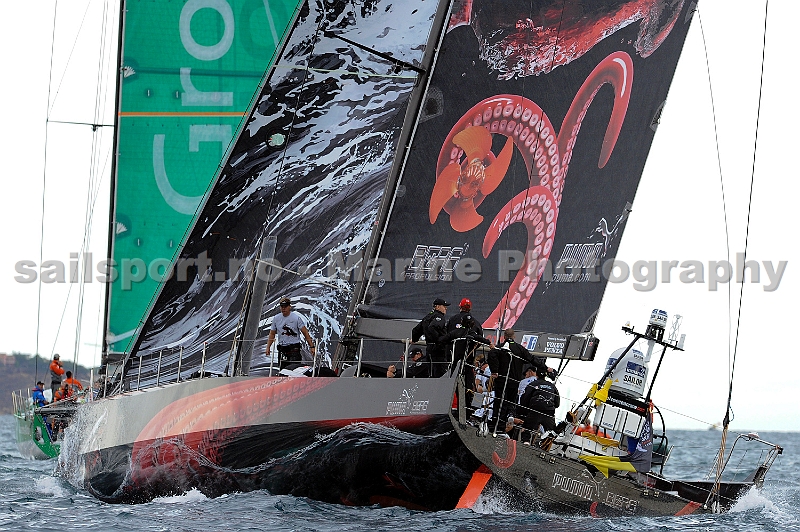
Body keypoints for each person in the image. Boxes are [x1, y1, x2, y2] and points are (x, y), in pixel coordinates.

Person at [265, 297, 316, 371]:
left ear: (289, 306)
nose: (283, 308)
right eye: (282, 307)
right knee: (283, 371)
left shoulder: (296, 318)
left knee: (294, 370)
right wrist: (268, 347)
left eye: (285, 306)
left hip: (294, 349)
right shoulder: (276, 318)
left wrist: (312, 346)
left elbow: (305, 332)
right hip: (282, 349)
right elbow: (272, 334)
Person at [411, 298, 450, 377]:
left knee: (431, 372)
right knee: (441, 373)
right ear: (438, 307)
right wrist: (439, 340)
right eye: (444, 306)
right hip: (438, 350)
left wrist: (414, 339)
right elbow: (432, 327)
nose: (446, 308)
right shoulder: (439, 316)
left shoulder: (427, 317)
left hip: (429, 348)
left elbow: (415, 330)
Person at [518, 365, 561, 434]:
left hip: (534, 411)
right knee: (552, 434)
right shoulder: (552, 386)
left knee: (526, 430)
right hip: (549, 413)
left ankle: (526, 442)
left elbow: (524, 400)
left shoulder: (532, 384)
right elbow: (557, 403)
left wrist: (525, 410)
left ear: (536, 375)